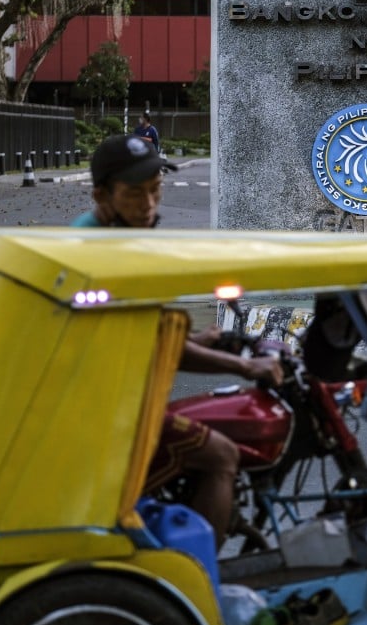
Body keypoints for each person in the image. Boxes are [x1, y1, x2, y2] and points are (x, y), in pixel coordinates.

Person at [73, 134, 284, 546]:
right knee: (222, 455)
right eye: (135, 194)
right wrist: (245, 366)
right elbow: (152, 348)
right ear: (101, 195)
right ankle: (197, 576)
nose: (149, 205)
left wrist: (199, 338)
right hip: (113, 418)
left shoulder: (109, 234)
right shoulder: (103, 252)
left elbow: (143, 331)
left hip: (110, 403)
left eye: (155, 190)